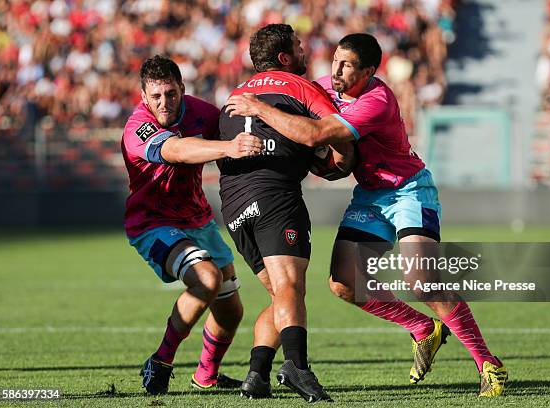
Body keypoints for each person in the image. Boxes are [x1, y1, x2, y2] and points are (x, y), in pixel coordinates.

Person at [225, 33, 509, 397]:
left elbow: (315, 134)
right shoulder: (324, 86)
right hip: (370, 196)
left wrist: (260, 108)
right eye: (335, 61)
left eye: (347, 65)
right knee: (344, 284)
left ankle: (489, 364)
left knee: (420, 278)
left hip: (408, 189)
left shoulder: (376, 99)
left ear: (369, 71)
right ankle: (424, 329)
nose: (336, 70)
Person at [218, 24, 354, 403]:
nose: (305, 50)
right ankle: (298, 366)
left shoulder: (236, 93)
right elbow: (331, 131)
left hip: (232, 203)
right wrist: (340, 163)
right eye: (298, 45)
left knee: (282, 295)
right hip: (274, 196)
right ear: (285, 58)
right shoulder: (299, 86)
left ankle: (257, 375)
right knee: (291, 287)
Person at [122, 55, 263, 395]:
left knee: (231, 311)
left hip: (198, 220)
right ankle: (160, 361)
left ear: (182, 88)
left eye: (170, 93)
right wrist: (230, 147)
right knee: (207, 278)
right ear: (143, 96)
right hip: (153, 222)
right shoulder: (137, 128)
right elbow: (177, 151)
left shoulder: (203, 113)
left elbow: (238, 134)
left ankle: (206, 376)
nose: (164, 103)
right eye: (155, 96)